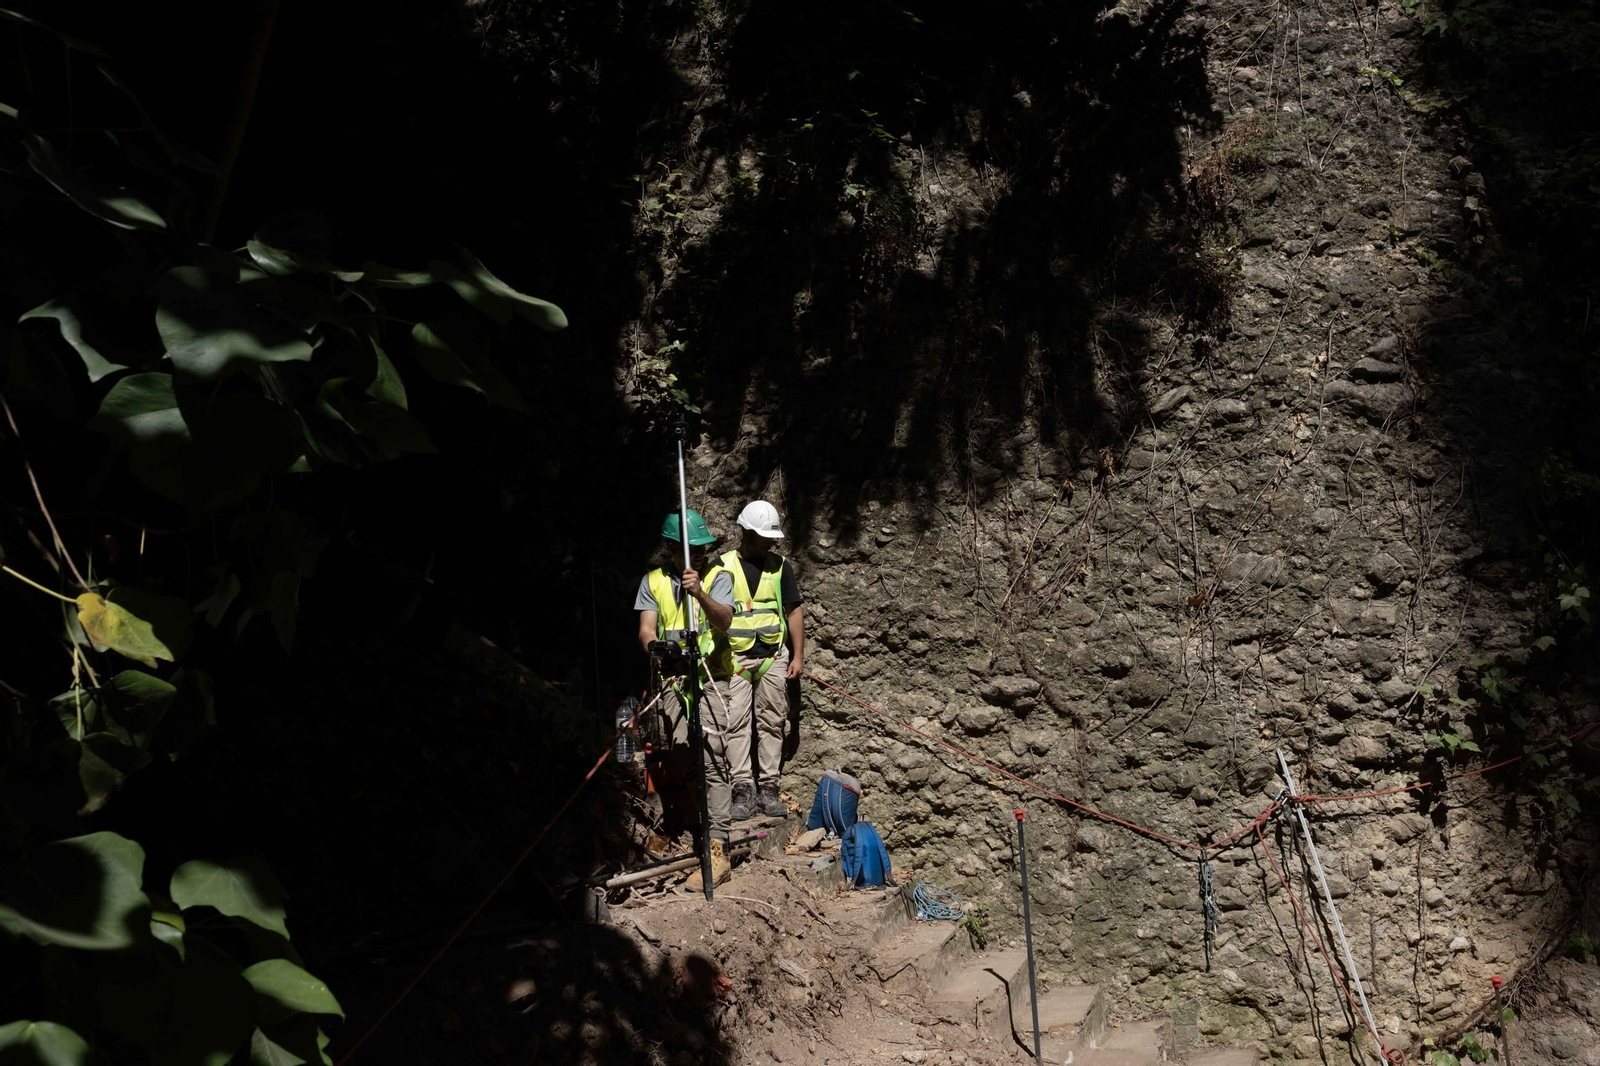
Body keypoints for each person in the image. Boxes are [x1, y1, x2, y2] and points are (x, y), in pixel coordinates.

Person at [635, 509, 738, 889]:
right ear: (673, 549)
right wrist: (656, 650)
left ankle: (718, 845)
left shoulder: (717, 577)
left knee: (711, 754)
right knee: (682, 752)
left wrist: (700, 593)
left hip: (710, 677)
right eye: (690, 549)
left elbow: (724, 620)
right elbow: (646, 629)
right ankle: (700, 821)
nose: (699, 554)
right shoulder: (653, 582)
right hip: (673, 678)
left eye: (702, 548)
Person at [709, 500, 805, 821]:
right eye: (764, 538)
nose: (769, 543)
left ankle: (769, 788)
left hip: (772, 657)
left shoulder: (780, 567)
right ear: (746, 532)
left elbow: (794, 611)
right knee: (735, 722)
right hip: (734, 659)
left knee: (773, 720)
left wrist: (798, 655)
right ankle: (741, 788)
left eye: (771, 539)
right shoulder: (721, 567)